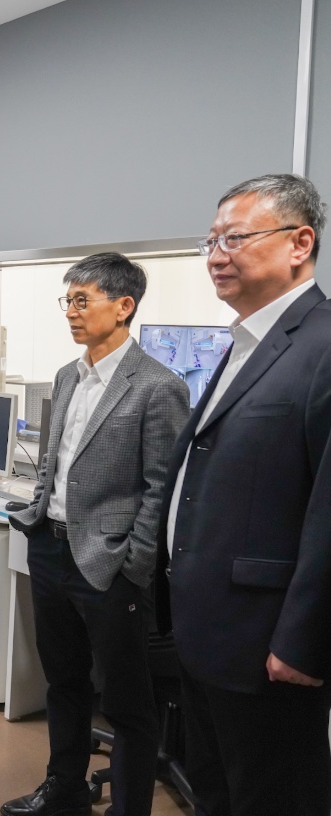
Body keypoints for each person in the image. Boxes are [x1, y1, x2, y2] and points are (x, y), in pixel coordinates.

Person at [157, 174, 331, 816]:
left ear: (299, 244)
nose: (216, 256)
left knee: (274, 798)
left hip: (269, 647)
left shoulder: (322, 345)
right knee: (216, 794)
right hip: (208, 633)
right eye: (210, 242)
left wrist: (305, 642)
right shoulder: (244, 344)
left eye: (234, 239)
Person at [3, 253, 188, 816]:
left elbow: (161, 489)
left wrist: (135, 564)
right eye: (68, 300)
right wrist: (38, 512)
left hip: (110, 564)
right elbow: (53, 461)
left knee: (127, 704)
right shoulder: (67, 376)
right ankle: (64, 788)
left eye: (82, 300)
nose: (71, 312)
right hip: (51, 549)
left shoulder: (158, 387)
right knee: (63, 681)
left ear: (124, 306)